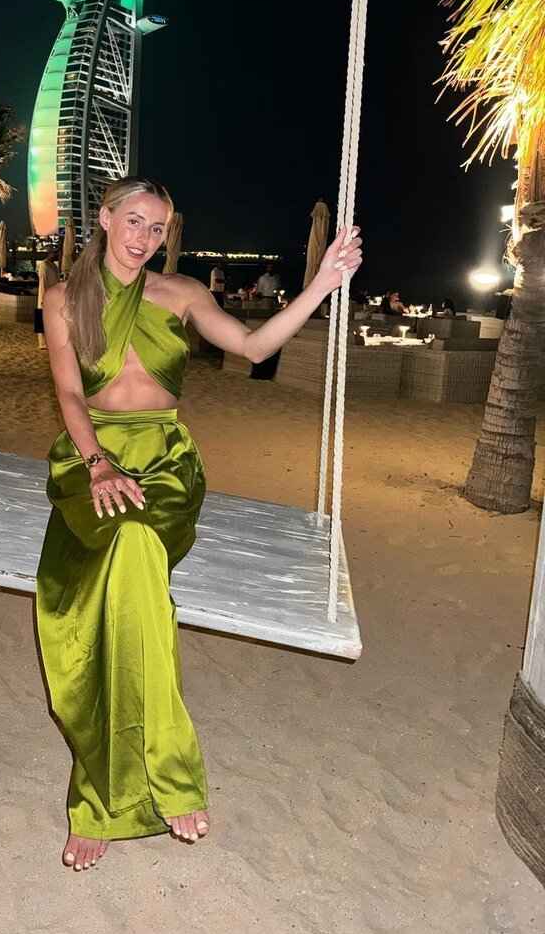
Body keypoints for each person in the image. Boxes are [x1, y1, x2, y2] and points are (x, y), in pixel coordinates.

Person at [37, 175, 362, 872]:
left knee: (132, 547)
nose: (145, 238)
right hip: (91, 457)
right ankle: (161, 780)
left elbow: (252, 346)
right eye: (134, 221)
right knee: (127, 562)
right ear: (105, 218)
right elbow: (68, 390)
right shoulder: (64, 297)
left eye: (157, 228)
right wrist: (97, 464)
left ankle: (106, 801)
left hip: (165, 464)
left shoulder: (181, 293)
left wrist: (321, 286)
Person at [35, 247, 61, 350]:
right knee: (43, 319)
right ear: (49, 253)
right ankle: (43, 342)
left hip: (54, 296)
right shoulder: (44, 265)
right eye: (54, 253)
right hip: (46, 295)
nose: (56, 256)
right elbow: (43, 282)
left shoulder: (53, 265)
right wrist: (43, 298)